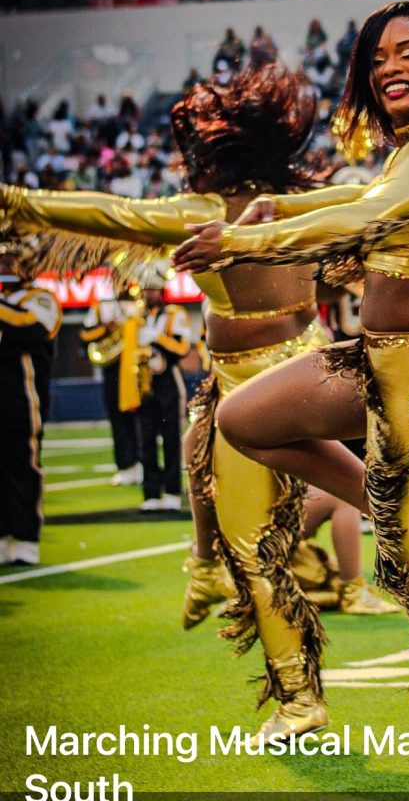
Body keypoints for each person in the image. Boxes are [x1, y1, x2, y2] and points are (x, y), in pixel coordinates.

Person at [174, 0, 409, 795]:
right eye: (377, 58)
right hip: (372, 359)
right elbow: (358, 193)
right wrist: (284, 206)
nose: (389, 66)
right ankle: (390, 511)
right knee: (241, 417)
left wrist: (248, 236)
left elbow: (366, 211)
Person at [0, 65, 336, 743]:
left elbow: (108, 214)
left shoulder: (205, 211)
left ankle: (297, 692)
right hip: (310, 365)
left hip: (252, 385)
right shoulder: (305, 202)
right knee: (203, 455)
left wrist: (15, 199)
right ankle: (219, 568)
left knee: (252, 542)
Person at [0, 236, 61, 565]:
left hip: (23, 396)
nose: (5, 266)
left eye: (11, 261)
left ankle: (25, 537)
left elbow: (29, 328)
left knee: (22, 461)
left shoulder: (42, 298)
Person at [136, 270, 192, 512]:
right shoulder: (136, 316)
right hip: (143, 381)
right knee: (145, 439)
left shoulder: (174, 314)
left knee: (171, 438)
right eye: (145, 290)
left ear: (161, 291)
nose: (148, 294)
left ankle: (171, 491)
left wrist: (157, 338)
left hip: (167, 379)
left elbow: (182, 348)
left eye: (153, 289)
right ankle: (151, 493)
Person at [80, 289, 144, 488]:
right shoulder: (101, 306)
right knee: (117, 418)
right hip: (113, 369)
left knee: (141, 418)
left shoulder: (139, 304)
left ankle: (142, 464)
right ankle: (125, 466)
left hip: (137, 367)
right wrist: (106, 328)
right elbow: (85, 334)